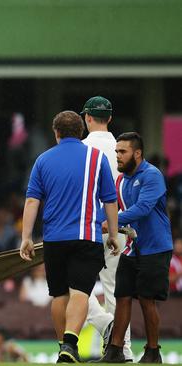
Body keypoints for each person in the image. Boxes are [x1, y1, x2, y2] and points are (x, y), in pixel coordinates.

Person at [19, 111, 119, 363]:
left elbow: (32, 200)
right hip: (86, 236)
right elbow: (110, 200)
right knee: (80, 294)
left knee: (59, 294)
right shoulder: (96, 158)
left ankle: (63, 347)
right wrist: (114, 235)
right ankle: (71, 344)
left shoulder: (43, 160)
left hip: (54, 238)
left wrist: (26, 237)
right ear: (81, 132)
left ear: (56, 133)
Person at [98, 132, 174, 363]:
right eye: (117, 152)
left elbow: (143, 208)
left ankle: (153, 352)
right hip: (132, 248)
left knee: (146, 298)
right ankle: (115, 351)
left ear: (137, 153)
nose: (118, 156)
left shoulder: (152, 175)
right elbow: (109, 209)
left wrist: (112, 222)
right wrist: (89, 224)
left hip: (156, 247)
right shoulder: (121, 181)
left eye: (123, 152)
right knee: (121, 295)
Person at [79, 96, 134, 360]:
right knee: (117, 291)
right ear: (109, 118)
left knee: (75, 286)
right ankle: (123, 348)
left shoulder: (81, 149)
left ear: (87, 117)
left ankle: (103, 324)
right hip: (119, 226)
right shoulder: (122, 148)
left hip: (88, 227)